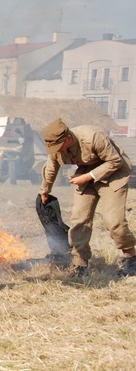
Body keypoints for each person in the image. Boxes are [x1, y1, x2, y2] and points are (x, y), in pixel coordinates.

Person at [39, 118, 136, 277]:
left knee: (113, 220)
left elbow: (115, 161)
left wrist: (88, 176)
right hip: (85, 173)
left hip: (114, 173)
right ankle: (79, 263)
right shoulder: (56, 147)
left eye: (59, 146)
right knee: (79, 219)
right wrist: (45, 191)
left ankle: (131, 257)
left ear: (68, 138)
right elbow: (51, 167)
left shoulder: (93, 137)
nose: (57, 151)